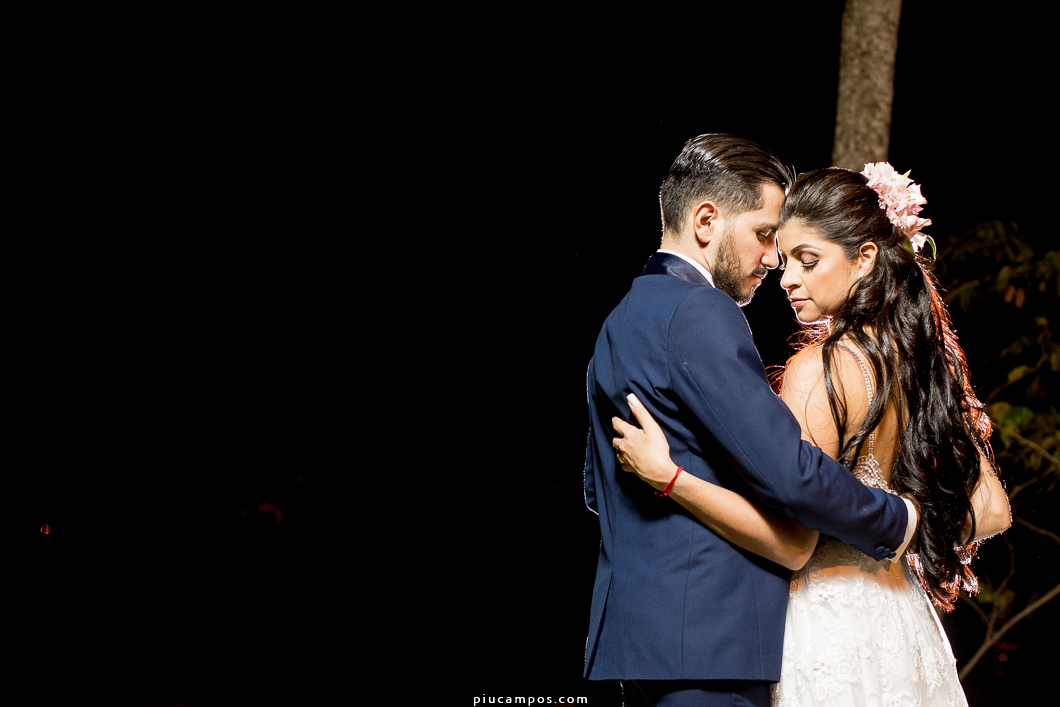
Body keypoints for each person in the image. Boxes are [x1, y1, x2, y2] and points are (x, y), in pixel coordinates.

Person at [610, 164, 1011, 706]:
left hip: (827, 623)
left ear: (864, 258)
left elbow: (793, 544)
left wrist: (670, 477)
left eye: (808, 260)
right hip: (900, 620)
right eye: (785, 259)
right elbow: (993, 511)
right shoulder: (927, 367)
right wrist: (902, 522)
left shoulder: (818, 368)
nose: (786, 279)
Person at [582, 135, 920, 707]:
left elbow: (598, 489)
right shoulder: (699, 310)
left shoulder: (620, 320)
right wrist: (895, 518)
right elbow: (790, 473)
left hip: (641, 644)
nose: (772, 258)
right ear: (706, 220)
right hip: (713, 644)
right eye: (764, 234)